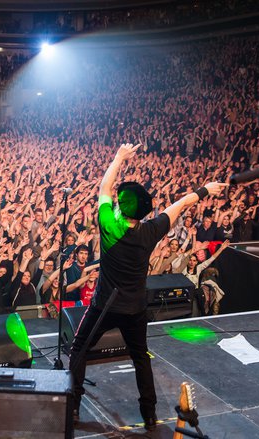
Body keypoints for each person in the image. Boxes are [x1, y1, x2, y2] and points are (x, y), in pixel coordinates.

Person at [68, 143, 228, 430]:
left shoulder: (109, 226)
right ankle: (149, 414)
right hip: (134, 308)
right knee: (140, 357)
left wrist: (119, 157)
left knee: (79, 349)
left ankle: (75, 405)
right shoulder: (151, 231)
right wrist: (205, 189)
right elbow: (180, 204)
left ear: (120, 211)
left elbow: (104, 188)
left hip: (105, 305)